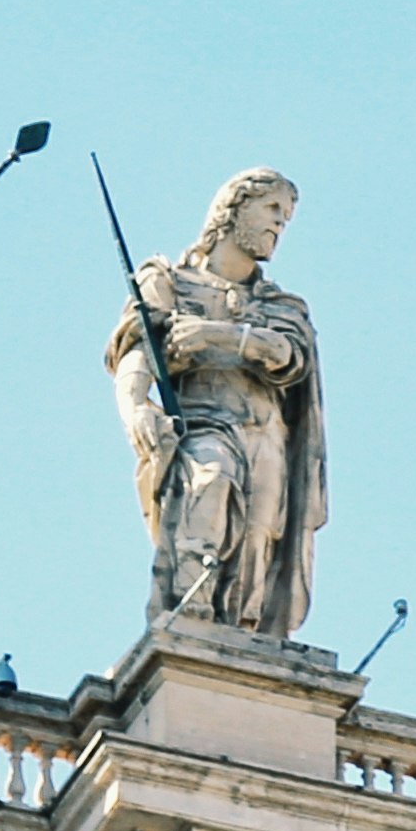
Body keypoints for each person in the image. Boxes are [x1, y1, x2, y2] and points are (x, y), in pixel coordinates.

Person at [109, 169, 326, 638]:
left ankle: (243, 648)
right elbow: (137, 352)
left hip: (266, 436)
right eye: (271, 209)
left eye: (286, 217)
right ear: (232, 209)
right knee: (209, 483)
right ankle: (188, 628)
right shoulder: (168, 281)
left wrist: (220, 335)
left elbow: (290, 355)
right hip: (202, 423)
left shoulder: (281, 304)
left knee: (256, 544)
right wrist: (136, 409)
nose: (279, 225)